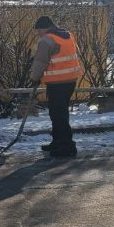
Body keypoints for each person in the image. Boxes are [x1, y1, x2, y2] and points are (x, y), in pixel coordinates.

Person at [28, 16, 82, 158]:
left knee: (59, 114)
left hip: (57, 82)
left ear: (45, 28)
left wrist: (34, 78)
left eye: (39, 30)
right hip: (70, 80)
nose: (39, 33)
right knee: (58, 113)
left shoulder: (47, 40)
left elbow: (40, 61)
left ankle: (67, 145)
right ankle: (58, 141)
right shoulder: (68, 36)